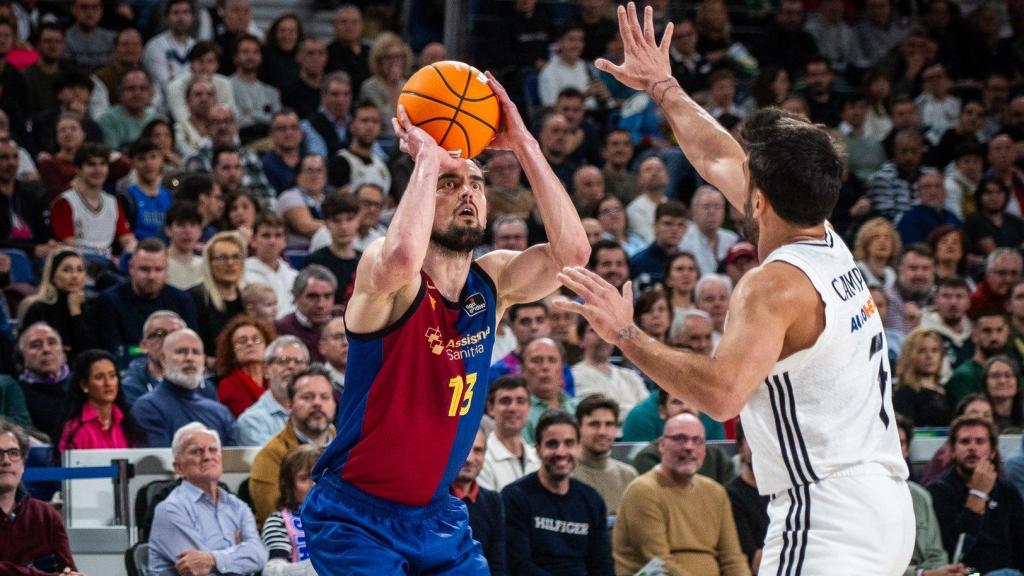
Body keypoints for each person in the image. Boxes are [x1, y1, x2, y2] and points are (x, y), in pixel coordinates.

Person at [558, 6, 914, 573]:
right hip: (886, 503)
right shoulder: (828, 238)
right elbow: (718, 152)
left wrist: (625, 333)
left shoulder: (770, 286)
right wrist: (663, 85)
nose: (738, 170)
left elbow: (722, 396)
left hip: (826, 511)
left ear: (759, 200)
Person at [303, 70, 590, 574]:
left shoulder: (493, 280)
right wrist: (428, 159)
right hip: (355, 517)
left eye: (476, 183)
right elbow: (403, 257)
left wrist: (524, 145)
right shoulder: (388, 272)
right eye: (449, 184)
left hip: (438, 516)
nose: (468, 194)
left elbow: (573, 254)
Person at [614, 413, 750, 576]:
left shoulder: (716, 493)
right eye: (680, 438)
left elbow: (733, 559)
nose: (689, 447)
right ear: (662, 445)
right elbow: (659, 564)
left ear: (704, 450)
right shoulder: (643, 491)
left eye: (697, 441)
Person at [502, 410, 614, 575]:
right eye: (552, 444)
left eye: (569, 443)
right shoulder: (515, 497)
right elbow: (519, 565)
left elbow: (602, 565)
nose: (561, 452)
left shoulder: (592, 499)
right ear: (537, 449)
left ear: (578, 447)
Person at [148, 423, 267, 576]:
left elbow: (259, 555)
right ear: (179, 468)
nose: (207, 457)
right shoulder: (171, 509)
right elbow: (196, 569)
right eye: (197, 451)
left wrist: (212, 559)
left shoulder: (237, 505)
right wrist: (240, 553)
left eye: (213, 450)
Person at [927, 415, 1024, 574]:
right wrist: (977, 495)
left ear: (992, 451)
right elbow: (954, 550)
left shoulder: (1007, 491)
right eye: (965, 441)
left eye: (980, 441)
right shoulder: (939, 491)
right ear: (952, 451)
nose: (972, 447)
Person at [251, 365, 336, 528]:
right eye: (307, 397)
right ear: (289, 404)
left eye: (325, 397)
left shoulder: (352, 448)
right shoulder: (270, 456)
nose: (317, 403)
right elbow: (278, 517)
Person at [91, 237, 199, 354]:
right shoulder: (109, 302)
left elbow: (192, 344)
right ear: (131, 267)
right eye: (144, 269)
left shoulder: (182, 300)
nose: (151, 276)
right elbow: (117, 350)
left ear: (167, 269)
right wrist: (146, 350)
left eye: (158, 269)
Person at [0, 420, 81, 575]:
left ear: (23, 463)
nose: (6, 461)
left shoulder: (45, 514)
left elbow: (67, 570)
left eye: (14, 453)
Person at [131, 329, 236, 447]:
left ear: (203, 360)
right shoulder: (148, 407)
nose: (189, 358)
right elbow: (158, 463)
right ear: (163, 359)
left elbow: (232, 462)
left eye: (196, 352)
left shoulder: (221, 413)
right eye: (181, 352)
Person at [50, 142, 137, 257]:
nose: (98, 170)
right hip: (78, 265)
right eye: (91, 164)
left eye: (103, 164)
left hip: (107, 266)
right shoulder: (64, 202)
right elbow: (69, 246)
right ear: (78, 169)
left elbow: (127, 240)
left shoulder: (112, 202)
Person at [58, 349, 146, 451]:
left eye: (112, 376)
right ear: (84, 384)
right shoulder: (76, 429)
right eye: (99, 377)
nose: (108, 383)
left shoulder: (127, 424)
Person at [18, 249, 92, 361]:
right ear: (52, 275)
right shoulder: (38, 309)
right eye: (66, 270)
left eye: (80, 270)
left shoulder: (92, 307)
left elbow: (90, 354)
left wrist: (75, 312)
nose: (75, 276)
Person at [450, 428, 506, 575]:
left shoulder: (494, 501)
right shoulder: (434, 499)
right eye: (464, 448)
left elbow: (498, 563)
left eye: (478, 450)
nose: (469, 458)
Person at [235, 336, 309, 446]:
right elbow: (274, 461)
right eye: (283, 361)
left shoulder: (317, 412)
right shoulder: (252, 421)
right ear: (266, 370)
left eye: (298, 361)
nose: (291, 366)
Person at [261, 444, 322, 576]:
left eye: (318, 478)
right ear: (289, 486)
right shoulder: (278, 521)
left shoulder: (341, 519)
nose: (313, 485)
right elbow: (273, 571)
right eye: (304, 478)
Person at [572, 394, 637, 516]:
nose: (602, 432)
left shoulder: (629, 476)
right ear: (578, 427)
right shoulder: (566, 475)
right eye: (594, 424)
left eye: (609, 424)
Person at [572, 319, 648, 415]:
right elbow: (598, 412)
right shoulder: (574, 375)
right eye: (594, 330)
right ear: (581, 340)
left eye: (607, 331)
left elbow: (649, 411)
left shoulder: (630, 376)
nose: (601, 336)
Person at [189, 231, 248, 355]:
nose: (230, 263)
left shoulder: (249, 297)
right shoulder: (194, 298)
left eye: (236, 257)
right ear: (209, 263)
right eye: (222, 258)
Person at [478, 376, 540, 492]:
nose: (513, 408)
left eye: (520, 401)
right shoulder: (482, 460)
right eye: (505, 401)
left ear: (529, 408)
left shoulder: (538, 457)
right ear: (490, 408)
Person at [16, 323, 73, 442]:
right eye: (35, 345)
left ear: (63, 351)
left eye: (52, 343)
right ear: (22, 357)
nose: (46, 350)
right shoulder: (15, 392)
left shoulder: (83, 386)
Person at [726, 423, 770, 574]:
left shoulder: (784, 493)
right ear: (740, 448)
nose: (761, 448)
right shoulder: (732, 496)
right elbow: (754, 561)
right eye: (753, 440)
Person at [120, 310, 189, 405]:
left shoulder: (203, 386)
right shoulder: (129, 388)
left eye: (176, 334)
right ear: (144, 346)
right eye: (159, 334)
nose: (169, 340)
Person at [305, 192, 362, 306]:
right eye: (336, 221)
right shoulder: (314, 262)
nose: (344, 227)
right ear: (326, 223)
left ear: (358, 221)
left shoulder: (365, 260)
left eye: (349, 219)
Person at [215, 315, 276, 417]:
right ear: (232, 351)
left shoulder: (274, 381)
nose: (250, 343)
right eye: (242, 341)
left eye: (256, 339)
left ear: (267, 347)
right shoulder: (228, 386)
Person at [275, 265, 337, 363]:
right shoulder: (281, 328)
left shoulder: (343, 319)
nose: (321, 304)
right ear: (296, 297)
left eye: (327, 296)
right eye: (312, 297)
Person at [244, 213, 298, 318]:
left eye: (278, 235)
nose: (272, 241)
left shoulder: (295, 277)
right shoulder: (243, 275)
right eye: (266, 236)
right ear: (253, 240)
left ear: (284, 241)